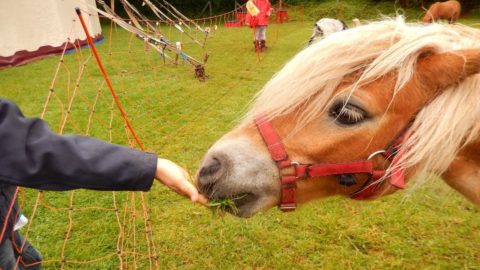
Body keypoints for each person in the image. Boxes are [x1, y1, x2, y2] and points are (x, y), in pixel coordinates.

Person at [0, 99, 206, 269]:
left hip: (7, 221)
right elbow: (32, 150)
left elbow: (22, 144)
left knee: (30, 260)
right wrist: (152, 167)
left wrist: (151, 167)